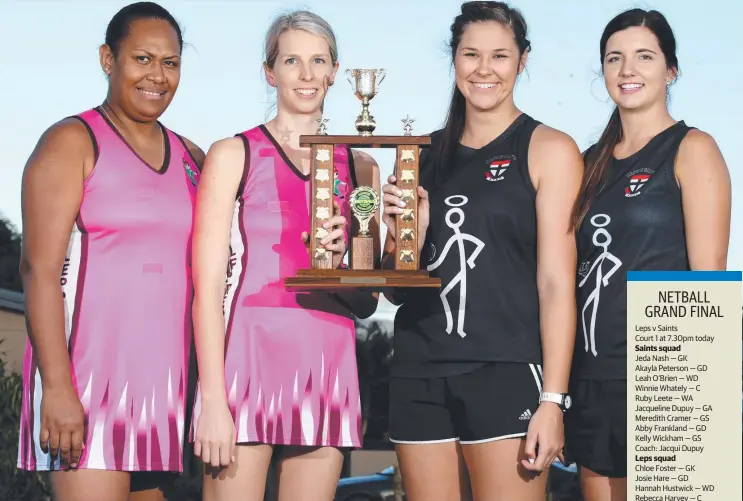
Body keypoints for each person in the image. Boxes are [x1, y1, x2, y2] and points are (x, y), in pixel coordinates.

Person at [380, 2, 583, 500]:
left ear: (523, 60)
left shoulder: (549, 149)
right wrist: (411, 235)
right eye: (471, 54)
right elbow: (395, 292)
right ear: (454, 60)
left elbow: (557, 285)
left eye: (500, 55)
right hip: (418, 371)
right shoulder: (421, 154)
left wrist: (553, 399)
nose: (484, 69)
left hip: (506, 371)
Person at [188, 9, 380, 501]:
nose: (307, 74)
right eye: (292, 60)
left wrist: (349, 260)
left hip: (327, 360)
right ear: (269, 71)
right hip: (245, 362)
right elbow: (206, 287)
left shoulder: (362, 165)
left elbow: (369, 301)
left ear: (336, 72)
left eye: (319, 61)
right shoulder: (234, 153)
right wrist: (212, 399)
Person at [16, 2, 204, 501]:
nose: (157, 76)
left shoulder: (193, 156)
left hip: (161, 391)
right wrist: (56, 388)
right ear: (108, 59)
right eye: (142, 59)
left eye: (170, 63)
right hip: (86, 384)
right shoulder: (71, 141)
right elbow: (37, 270)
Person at [563, 8, 731, 501]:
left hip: (665, 377)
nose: (627, 70)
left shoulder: (692, 148)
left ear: (670, 70)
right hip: (592, 376)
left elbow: (707, 287)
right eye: (614, 58)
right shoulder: (587, 162)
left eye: (644, 56)